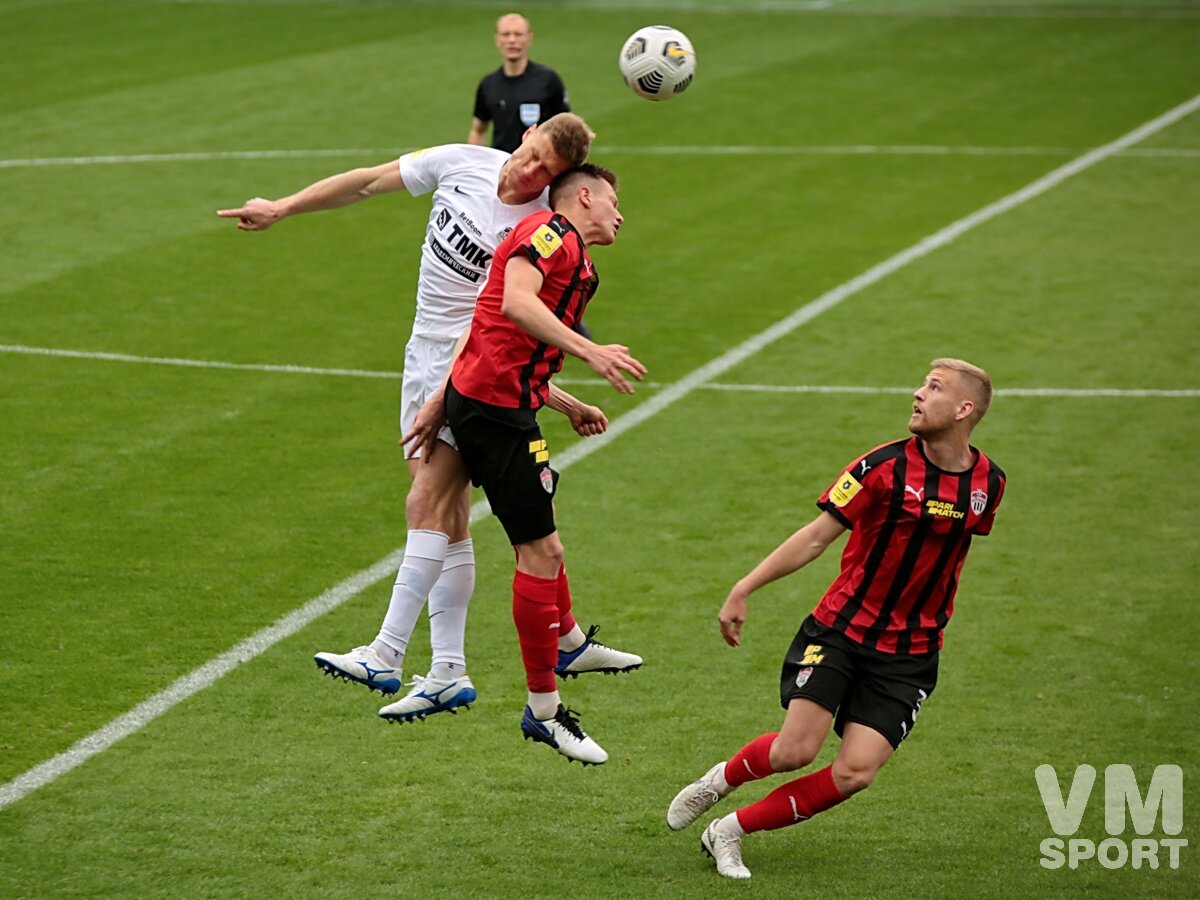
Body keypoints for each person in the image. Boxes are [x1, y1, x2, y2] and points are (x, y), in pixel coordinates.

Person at [217, 114, 635, 725]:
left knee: (427, 503)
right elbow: (366, 182)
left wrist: (451, 391)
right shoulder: (463, 162)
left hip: (460, 370)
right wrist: (283, 207)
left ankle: (390, 654)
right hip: (427, 358)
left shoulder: (540, 228)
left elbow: (502, 328)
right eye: (530, 155)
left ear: (558, 179)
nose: (528, 172)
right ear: (522, 140)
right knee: (450, 517)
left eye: (545, 170)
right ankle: (447, 670)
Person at [665, 359, 1006, 879]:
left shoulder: (989, 484)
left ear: (964, 410)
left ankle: (728, 831)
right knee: (794, 751)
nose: (917, 393)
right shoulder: (882, 467)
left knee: (855, 772)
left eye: (933, 388)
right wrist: (744, 587)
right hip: (842, 629)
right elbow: (817, 536)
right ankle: (721, 780)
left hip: (911, 652)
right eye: (921, 383)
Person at [409, 163, 644, 765]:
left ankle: (566, 642)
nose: (619, 214)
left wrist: (566, 403)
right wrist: (589, 349)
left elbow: (513, 344)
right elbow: (513, 302)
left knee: (547, 548)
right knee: (539, 553)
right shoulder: (550, 234)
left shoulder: (578, 261)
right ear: (583, 196)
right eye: (612, 201)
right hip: (492, 412)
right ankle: (544, 710)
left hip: (505, 406)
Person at [468, 13, 570, 153]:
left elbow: (566, 128)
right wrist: (476, 163)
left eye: (518, 34)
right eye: (506, 34)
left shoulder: (548, 80)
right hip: (502, 167)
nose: (512, 40)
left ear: (529, 38)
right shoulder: (488, 85)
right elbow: (478, 130)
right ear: (497, 39)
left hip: (538, 165)